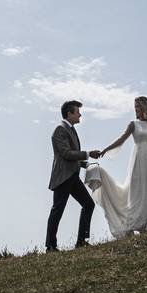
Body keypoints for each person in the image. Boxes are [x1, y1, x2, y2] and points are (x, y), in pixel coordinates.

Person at [86, 96, 147, 238]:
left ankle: (143, 225)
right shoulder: (133, 124)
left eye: (138, 106)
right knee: (137, 191)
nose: (136, 109)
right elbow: (121, 139)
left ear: (145, 107)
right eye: (135, 107)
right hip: (139, 158)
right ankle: (130, 224)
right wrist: (105, 150)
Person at [45, 100, 102, 252]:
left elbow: (71, 156)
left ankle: (81, 241)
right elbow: (66, 154)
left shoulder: (69, 129)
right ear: (69, 113)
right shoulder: (60, 129)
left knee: (88, 204)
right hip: (63, 177)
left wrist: (86, 164)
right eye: (77, 112)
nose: (80, 114)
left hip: (72, 176)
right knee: (57, 210)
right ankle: (50, 247)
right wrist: (88, 154)